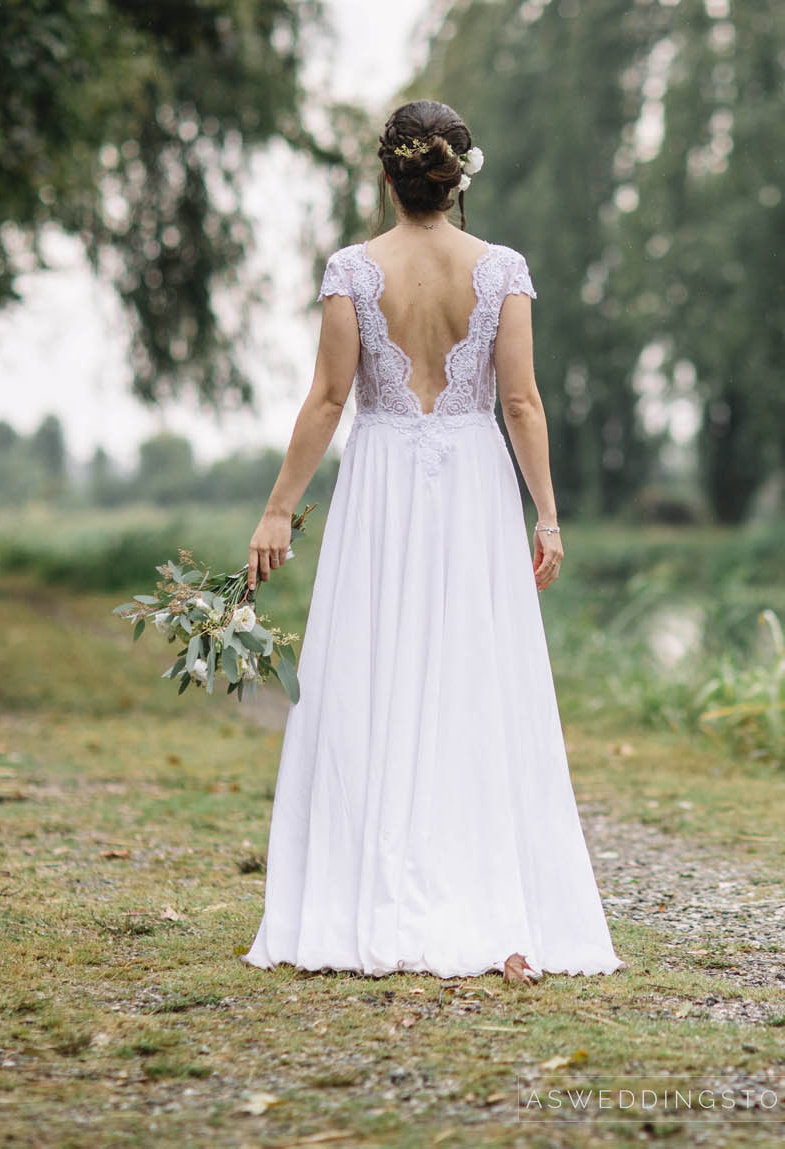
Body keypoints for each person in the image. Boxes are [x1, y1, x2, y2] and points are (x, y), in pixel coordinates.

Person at [238, 99, 623, 981]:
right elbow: (520, 402)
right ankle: (480, 890)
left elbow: (328, 402)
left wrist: (275, 510)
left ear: (388, 174)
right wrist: (548, 512)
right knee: (471, 674)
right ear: (459, 176)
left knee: (371, 672)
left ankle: (364, 888)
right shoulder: (502, 270)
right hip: (472, 491)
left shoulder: (350, 269)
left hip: (379, 487)